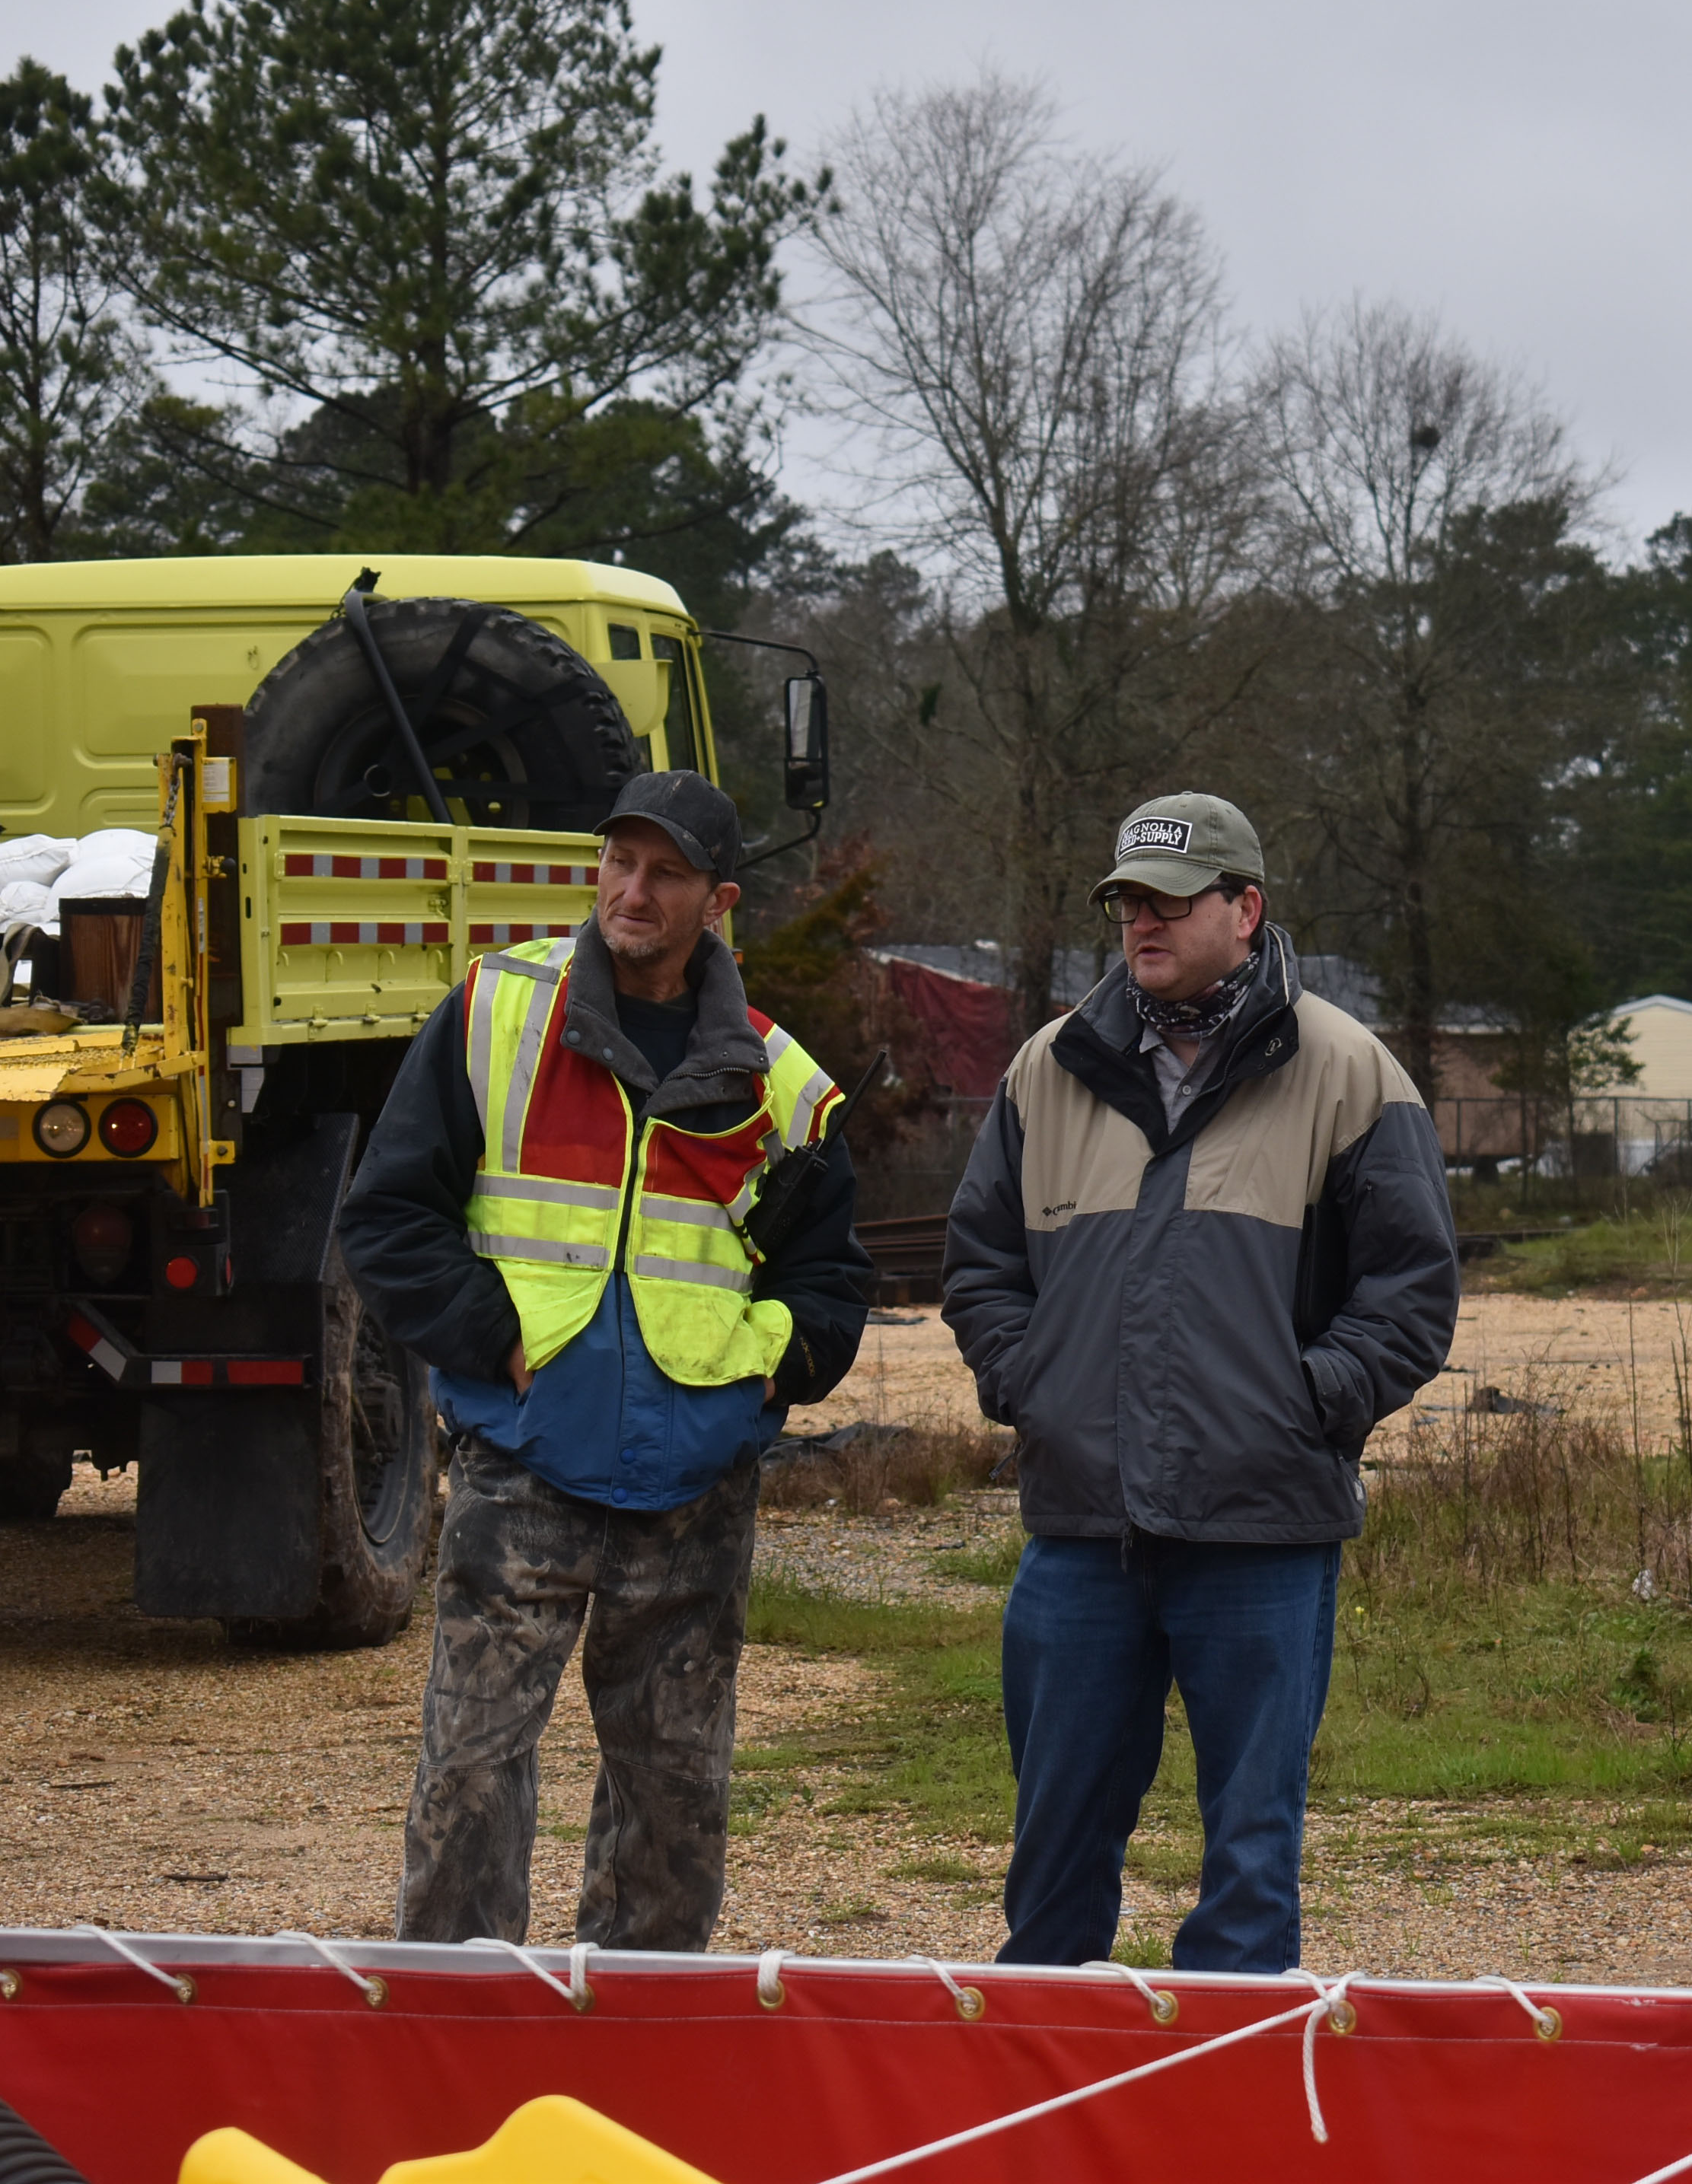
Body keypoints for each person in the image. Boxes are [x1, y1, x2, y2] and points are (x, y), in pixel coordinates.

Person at [339, 770, 871, 1950]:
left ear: (717, 900)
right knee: (469, 1779)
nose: (634, 890)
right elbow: (386, 1218)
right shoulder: (496, 1012)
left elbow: (831, 1281)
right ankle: (456, 2033)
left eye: (667, 872)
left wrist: (763, 1375)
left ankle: (641, 2049)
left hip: (695, 1489)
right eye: (620, 860)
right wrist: (493, 1340)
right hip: (523, 1463)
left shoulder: (778, 1083)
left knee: (673, 1802)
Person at [942, 791, 1459, 1974]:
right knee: (1055, 1853)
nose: (1142, 923)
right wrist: (1038, 1386)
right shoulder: (1050, 1065)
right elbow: (980, 1267)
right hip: (1080, 1531)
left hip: (1263, 1531)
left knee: (1249, 1861)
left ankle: (1226, 2116)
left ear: (1246, 908)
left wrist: (1303, 1406)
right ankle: (1044, 2114)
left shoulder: (1349, 1072)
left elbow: (1412, 1291)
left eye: (1171, 901)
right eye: (1127, 901)